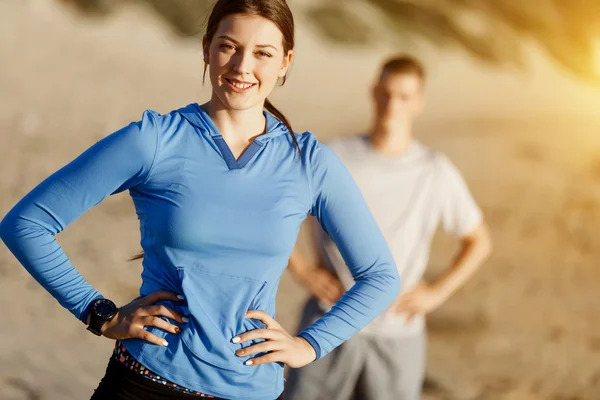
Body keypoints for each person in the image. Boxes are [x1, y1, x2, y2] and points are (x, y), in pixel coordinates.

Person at [0, 1, 402, 399]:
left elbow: (380, 277)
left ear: (285, 62)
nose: (243, 66)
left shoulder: (309, 162)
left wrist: (309, 345)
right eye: (229, 46)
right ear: (207, 48)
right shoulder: (153, 140)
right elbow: (26, 224)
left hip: (251, 391)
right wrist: (99, 314)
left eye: (263, 53)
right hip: (144, 384)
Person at [284, 55, 492, 400]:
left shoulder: (434, 170)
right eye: (386, 93)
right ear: (373, 93)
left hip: (399, 332)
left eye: (404, 96)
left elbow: (479, 241)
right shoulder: (332, 156)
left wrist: (436, 293)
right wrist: (304, 271)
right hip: (328, 322)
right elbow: (279, 214)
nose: (392, 104)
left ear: (419, 103)